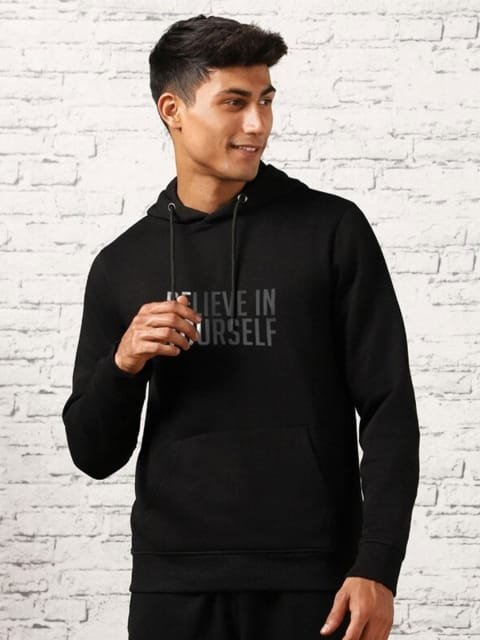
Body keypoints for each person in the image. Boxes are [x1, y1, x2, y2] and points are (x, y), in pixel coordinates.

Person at [62, 13, 420, 640]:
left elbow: (389, 408)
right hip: (173, 585)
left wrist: (378, 566)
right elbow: (93, 455)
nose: (258, 124)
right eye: (234, 102)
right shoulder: (122, 263)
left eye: (266, 101)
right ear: (172, 110)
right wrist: (123, 364)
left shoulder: (331, 231)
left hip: (316, 579)